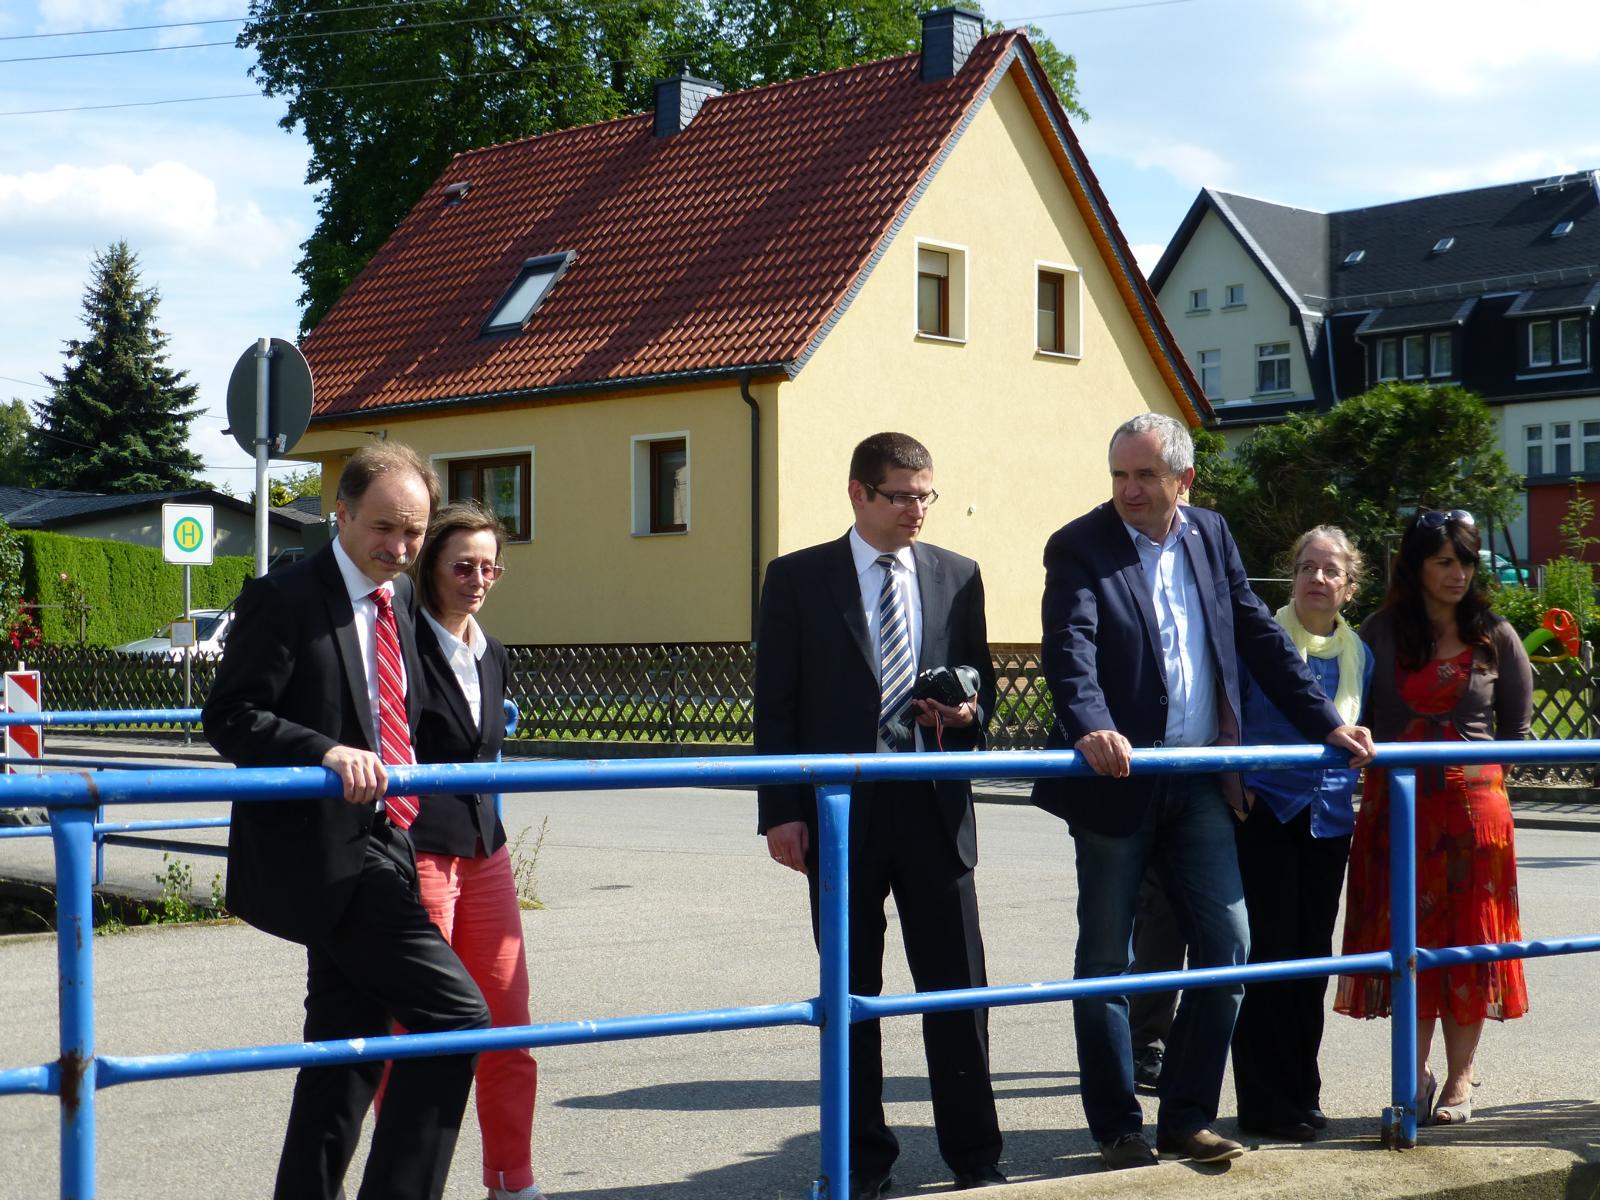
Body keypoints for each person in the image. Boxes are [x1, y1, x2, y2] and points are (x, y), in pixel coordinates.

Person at [1031, 412, 1374, 1170]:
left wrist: (1326, 723)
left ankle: (1184, 1117)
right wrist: (1090, 724)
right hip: (1119, 779)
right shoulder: (1080, 544)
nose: (1129, 490)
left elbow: (1257, 633)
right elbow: (1070, 648)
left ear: (1183, 479)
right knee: (1106, 961)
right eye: (1120, 474)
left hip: (1194, 780)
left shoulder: (1209, 535)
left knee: (1230, 951)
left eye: (1146, 475)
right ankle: (1117, 1125)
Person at [203, 443, 490, 1200]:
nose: (400, 548)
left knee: (346, 1052)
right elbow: (231, 717)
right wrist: (324, 751)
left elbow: (408, 712)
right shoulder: (286, 597)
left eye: (414, 533)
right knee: (458, 1017)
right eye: (385, 528)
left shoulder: (399, 602)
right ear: (342, 513)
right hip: (320, 852)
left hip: (387, 841)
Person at [755, 431, 1006, 1199]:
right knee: (851, 995)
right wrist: (781, 813)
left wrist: (966, 713)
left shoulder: (958, 575)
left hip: (934, 811)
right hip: (838, 816)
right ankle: (864, 1160)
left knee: (958, 994)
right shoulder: (798, 578)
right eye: (900, 495)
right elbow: (778, 704)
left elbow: (983, 688)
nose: (916, 509)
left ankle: (975, 1155)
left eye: (926, 494)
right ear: (859, 494)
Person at [1335, 508, 1533, 1127]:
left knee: (1468, 945)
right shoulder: (1379, 631)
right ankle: (1411, 1072)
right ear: (1416, 565)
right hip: (1397, 812)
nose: (1458, 573)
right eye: (1444, 561)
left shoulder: (1495, 634)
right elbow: (1348, 710)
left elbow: (1519, 732)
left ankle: (1460, 1080)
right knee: (1410, 944)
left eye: (1466, 561)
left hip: (1474, 816)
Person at [378, 501, 542, 1200]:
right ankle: (410, 1183)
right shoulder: (403, 645)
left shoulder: (492, 652)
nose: (478, 579)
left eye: (489, 567)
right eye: (463, 566)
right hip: (420, 850)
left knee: (509, 1026)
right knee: (418, 1031)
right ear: (431, 569)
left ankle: (513, 1179)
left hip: (486, 851)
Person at [1232, 526, 1375, 1142]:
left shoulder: (1359, 655)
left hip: (1328, 819)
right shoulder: (1258, 640)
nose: (1316, 578)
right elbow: (1228, 711)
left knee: (1310, 961)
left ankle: (1301, 1091)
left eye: (1330, 570)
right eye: (1306, 567)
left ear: (1349, 585)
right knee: (1267, 958)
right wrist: (1232, 775)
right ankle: (1263, 1102)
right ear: (1291, 577)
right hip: (1265, 811)